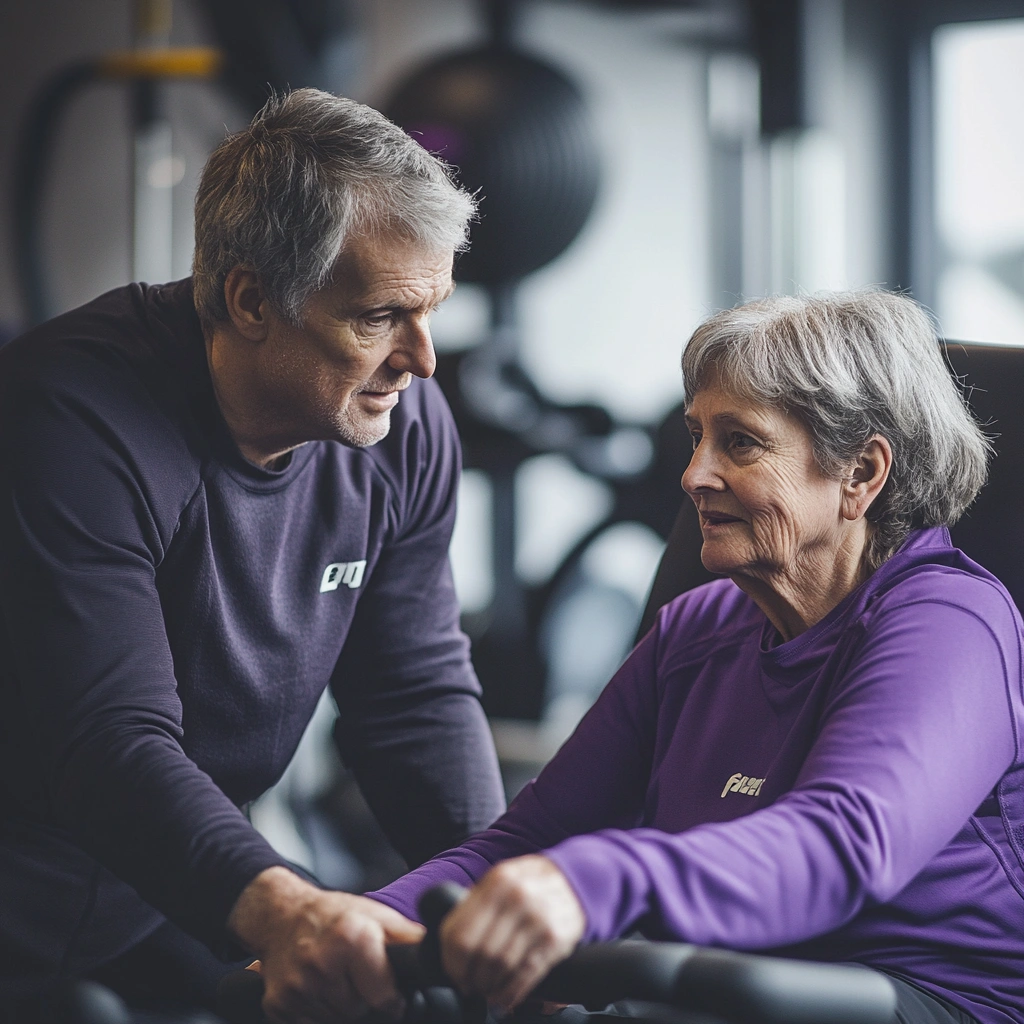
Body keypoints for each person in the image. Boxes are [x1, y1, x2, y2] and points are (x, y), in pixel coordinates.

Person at [369, 292, 1024, 1024]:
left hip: (913, 1001)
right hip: (714, 992)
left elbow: (844, 842)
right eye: (695, 436)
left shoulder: (951, 621)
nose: (693, 475)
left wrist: (595, 884)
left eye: (739, 442)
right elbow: (532, 838)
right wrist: (365, 922)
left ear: (860, 474)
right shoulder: (695, 630)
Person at [0, 88, 505, 1019]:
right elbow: (107, 740)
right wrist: (287, 913)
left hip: (157, 894)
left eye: (432, 309)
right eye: (380, 315)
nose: (423, 360)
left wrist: (498, 901)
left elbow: (413, 694)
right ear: (251, 299)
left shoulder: (402, 426)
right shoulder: (69, 417)